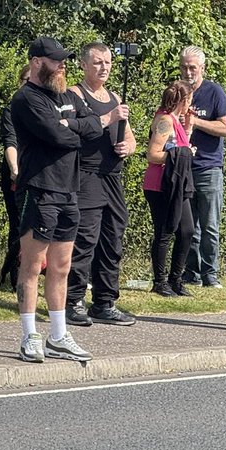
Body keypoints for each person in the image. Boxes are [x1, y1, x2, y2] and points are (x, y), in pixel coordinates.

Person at [10, 36, 106, 364]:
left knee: (62, 266)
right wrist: (74, 130)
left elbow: (95, 127)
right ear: (37, 62)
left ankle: (58, 336)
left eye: (64, 59)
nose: (63, 65)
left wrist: (73, 125)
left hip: (69, 191)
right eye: (56, 60)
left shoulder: (68, 95)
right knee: (32, 265)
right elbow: (58, 136)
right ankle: (29, 336)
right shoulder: (26, 99)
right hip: (39, 190)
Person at [65, 43, 138, 327]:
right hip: (87, 175)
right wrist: (109, 118)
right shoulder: (75, 95)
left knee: (113, 237)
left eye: (107, 62)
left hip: (112, 176)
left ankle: (105, 301)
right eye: (97, 62)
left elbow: (129, 136)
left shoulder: (114, 96)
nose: (104, 67)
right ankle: (73, 300)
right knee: (85, 239)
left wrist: (128, 147)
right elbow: (71, 130)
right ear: (84, 65)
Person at [178, 46, 226, 289]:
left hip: (209, 167)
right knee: (189, 225)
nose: (188, 72)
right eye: (184, 67)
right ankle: (191, 272)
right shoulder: (177, 92)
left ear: (202, 69)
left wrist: (195, 122)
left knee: (210, 224)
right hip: (183, 166)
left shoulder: (214, 92)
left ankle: (211, 274)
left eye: (193, 68)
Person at [143, 81, 197, 298]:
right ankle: (160, 280)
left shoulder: (176, 121)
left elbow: (178, 146)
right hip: (161, 184)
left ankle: (176, 278)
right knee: (165, 231)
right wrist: (183, 154)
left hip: (177, 184)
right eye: (189, 100)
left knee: (186, 230)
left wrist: (189, 129)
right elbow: (153, 153)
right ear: (183, 101)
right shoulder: (165, 120)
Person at [0, 63, 33, 289]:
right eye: (27, 81)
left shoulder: (51, 107)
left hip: (42, 174)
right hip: (17, 175)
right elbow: (10, 142)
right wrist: (14, 169)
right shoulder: (11, 110)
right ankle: (15, 278)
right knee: (19, 225)